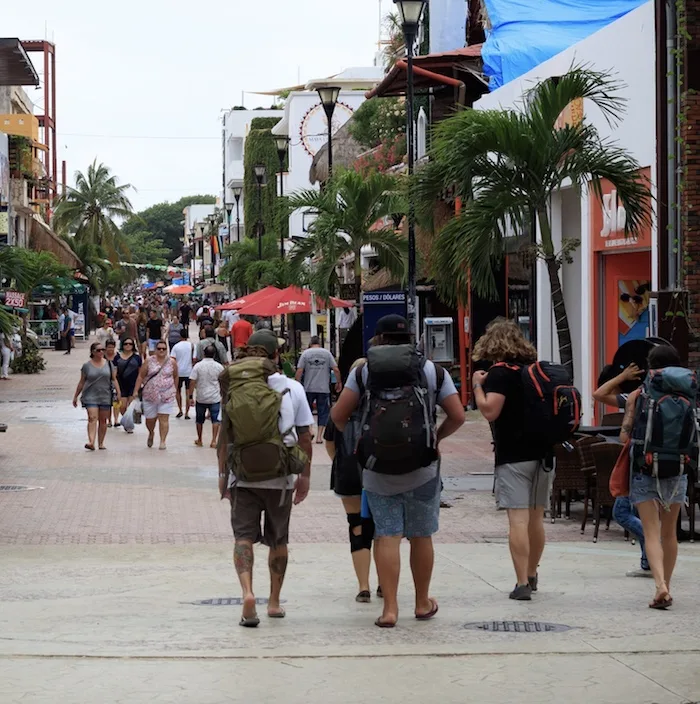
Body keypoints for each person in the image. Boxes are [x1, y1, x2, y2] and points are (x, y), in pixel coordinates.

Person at [331, 315, 465, 627]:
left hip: (378, 470)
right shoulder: (432, 370)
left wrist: (361, 440)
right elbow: (457, 415)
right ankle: (421, 603)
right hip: (424, 468)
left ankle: (389, 610)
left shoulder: (364, 371)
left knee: (386, 535)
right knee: (421, 535)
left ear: (377, 339)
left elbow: (339, 415)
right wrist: (436, 437)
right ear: (410, 338)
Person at [218, 329, 313, 627]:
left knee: (242, 537)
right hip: (281, 476)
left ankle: (248, 592)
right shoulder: (293, 388)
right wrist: (305, 475)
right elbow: (306, 436)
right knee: (278, 539)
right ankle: (273, 602)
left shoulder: (233, 386)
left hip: (243, 475)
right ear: (275, 356)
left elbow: (225, 437)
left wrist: (223, 476)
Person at [471, 318, 550, 601]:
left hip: (513, 456)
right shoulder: (534, 371)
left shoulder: (499, 374)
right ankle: (532, 573)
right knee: (536, 519)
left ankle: (521, 583)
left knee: (517, 520)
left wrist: (478, 387)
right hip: (543, 454)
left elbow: (490, 411)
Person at [620, 345, 691, 609]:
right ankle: (668, 586)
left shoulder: (639, 395)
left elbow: (625, 437)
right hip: (678, 467)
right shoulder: (689, 393)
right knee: (669, 533)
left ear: (651, 367)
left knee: (651, 532)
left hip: (645, 467)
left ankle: (659, 585)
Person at [324, 357, 376, 602]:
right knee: (384, 528)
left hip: (348, 473)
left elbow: (329, 442)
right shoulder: (381, 404)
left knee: (356, 525)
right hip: (379, 473)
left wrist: (342, 461)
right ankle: (385, 583)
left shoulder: (342, 409)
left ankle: (363, 586)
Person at [593, 363, 650, 577]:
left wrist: (621, 376)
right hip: (667, 462)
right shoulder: (672, 395)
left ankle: (654, 544)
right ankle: (648, 563)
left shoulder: (636, 396)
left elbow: (599, 394)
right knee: (642, 513)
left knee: (622, 512)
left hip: (638, 461)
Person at [73, 341, 121, 451]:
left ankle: (101, 443)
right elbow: (82, 382)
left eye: (102, 350)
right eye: (98, 350)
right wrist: (76, 396)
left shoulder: (109, 364)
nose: (101, 352)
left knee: (103, 421)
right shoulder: (87, 366)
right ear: (92, 352)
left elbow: (114, 379)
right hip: (90, 395)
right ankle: (91, 441)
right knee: (92, 418)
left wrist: (118, 393)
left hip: (105, 395)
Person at [296, 336, 341, 444]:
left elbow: (299, 370)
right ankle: (319, 437)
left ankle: (310, 430)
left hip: (308, 387)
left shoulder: (305, 354)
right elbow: (335, 369)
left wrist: (297, 383)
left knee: (307, 411)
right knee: (323, 412)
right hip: (323, 388)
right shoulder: (327, 353)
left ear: (310, 344)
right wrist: (339, 382)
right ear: (319, 344)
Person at [136, 340, 178, 450]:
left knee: (164, 419)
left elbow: (176, 376)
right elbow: (141, 376)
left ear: (167, 350)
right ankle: (151, 432)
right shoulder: (149, 361)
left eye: (164, 349)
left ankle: (163, 441)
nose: (161, 351)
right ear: (155, 350)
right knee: (150, 419)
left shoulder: (172, 362)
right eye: (159, 348)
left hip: (167, 395)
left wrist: (175, 389)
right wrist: (135, 391)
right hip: (150, 395)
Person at [189, 345, 224, 448]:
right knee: (215, 419)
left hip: (201, 397)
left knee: (199, 420)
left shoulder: (198, 366)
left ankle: (200, 439)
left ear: (204, 353)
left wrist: (190, 396)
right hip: (215, 397)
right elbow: (223, 381)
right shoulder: (219, 366)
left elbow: (192, 381)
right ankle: (213, 440)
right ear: (214, 354)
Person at [115, 337, 142, 434]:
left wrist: (139, 387)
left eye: (130, 344)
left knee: (131, 406)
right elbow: (114, 373)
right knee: (122, 406)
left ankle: (129, 424)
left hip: (133, 384)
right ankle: (126, 420)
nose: (128, 346)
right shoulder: (117, 357)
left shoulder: (137, 358)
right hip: (121, 384)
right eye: (126, 344)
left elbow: (140, 373)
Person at [171, 329, 194, 419]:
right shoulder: (192, 346)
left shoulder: (176, 347)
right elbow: (194, 358)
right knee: (188, 392)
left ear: (180, 336)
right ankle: (187, 413)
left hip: (178, 372)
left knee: (178, 391)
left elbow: (172, 359)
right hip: (189, 371)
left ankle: (180, 409)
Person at [103, 340, 121, 427]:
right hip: (105, 382)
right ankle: (109, 420)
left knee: (116, 401)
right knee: (107, 403)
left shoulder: (118, 357)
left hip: (116, 381)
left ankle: (116, 419)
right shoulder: (102, 356)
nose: (110, 349)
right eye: (109, 347)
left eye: (112, 347)